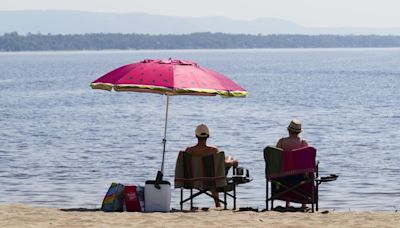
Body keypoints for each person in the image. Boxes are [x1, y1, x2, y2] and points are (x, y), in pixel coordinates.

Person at [185, 124, 238, 207]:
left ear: (196, 135)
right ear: (208, 136)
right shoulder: (213, 150)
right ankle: (217, 203)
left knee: (212, 173)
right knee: (224, 163)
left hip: (193, 179)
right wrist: (234, 162)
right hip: (213, 179)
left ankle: (217, 203)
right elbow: (225, 164)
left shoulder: (188, 151)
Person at [276, 119, 309, 209]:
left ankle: (287, 202)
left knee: (287, 171)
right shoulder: (303, 143)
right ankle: (303, 203)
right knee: (306, 173)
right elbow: (307, 163)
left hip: (282, 177)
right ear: (299, 132)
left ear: (288, 130)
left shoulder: (281, 142)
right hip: (299, 178)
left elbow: (276, 160)